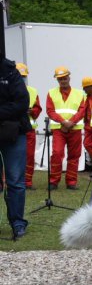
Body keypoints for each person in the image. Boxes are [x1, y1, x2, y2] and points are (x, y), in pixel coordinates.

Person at [0, 57, 30, 239]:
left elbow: (22, 103)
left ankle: (18, 222)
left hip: (14, 132)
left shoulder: (10, 70)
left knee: (16, 181)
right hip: (10, 124)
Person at [46, 66, 85, 190]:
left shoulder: (80, 93)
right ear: (57, 80)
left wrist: (71, 122)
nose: (63, 80)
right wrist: (63, 122)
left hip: (75, 128)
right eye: (60, 79)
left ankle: (71, 182)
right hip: (59, 129)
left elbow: (82, 110)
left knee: (74, 155)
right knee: (57, 153)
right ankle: (54, 181)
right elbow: (50, 110)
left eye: (65, 78)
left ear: (69, 77)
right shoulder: (51, 93)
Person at [16, 63, 42, 190]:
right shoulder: (8, 90)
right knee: (13, 156)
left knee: (29, 156)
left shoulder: (33, 91)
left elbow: (38, 108)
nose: (22, 79)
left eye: (24, 76)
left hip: (29, 129)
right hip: (13, 129)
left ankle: (27, 182)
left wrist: (32, 112)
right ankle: (10, 181)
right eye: (20, 76)